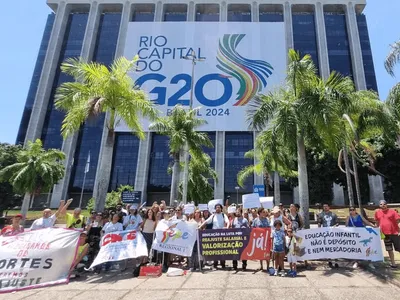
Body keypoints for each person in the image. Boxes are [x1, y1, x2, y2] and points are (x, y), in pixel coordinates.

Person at [201, 204, 229, 270]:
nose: (217, 208)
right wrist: (200, 227)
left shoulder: (223, 215)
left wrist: (227, 228)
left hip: (222, 235)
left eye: (219, 207)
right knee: (215, 250)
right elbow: (206, 222)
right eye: (216, 207)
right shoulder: (213, 216)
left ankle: (223, 264)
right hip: (214, 235)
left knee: (222, 250)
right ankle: (215, 264)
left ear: (221, 208)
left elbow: (227, 222)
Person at [375, 200, 400, 268]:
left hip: (395, 233)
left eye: (384, 204)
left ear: (387, 205)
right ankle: (393, 264)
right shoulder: (377, 212)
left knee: (399, 248)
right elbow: (377, 222)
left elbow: (398, 222)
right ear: (379, 205)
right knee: (389, 249)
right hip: (385, 235)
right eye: (381, 204)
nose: (383, 206)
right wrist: (376, 229)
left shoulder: (392, 211)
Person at [318, 203, 339, 268]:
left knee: (334, 247)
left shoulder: (333, 214)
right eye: (324, 207)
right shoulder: (321, 215)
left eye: (326, 206)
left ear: (329, 207)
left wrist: (334, 226)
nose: (325, 208)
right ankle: (329, 261)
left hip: (333, 233)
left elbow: (337, 223)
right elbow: (319, 222)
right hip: (325, 233)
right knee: (328, 247)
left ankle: (336, 261)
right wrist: (319, 229)